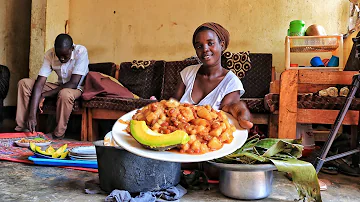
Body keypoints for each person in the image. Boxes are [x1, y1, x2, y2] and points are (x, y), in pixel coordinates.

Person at [173, 22, 253, 129]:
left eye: (210, 43)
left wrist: (241, 110)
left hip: (208, 141)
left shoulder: (231, 82)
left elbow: (229, 109)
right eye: (199, 46)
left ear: (222, 45)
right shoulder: (188, 73)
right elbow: (172, 105)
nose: (205, 49)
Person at [15, 33, 89, 139]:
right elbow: (40, 83)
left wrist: (44, 95)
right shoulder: (50, 54)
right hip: (59, 86)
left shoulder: (81, 52)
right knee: (24, 83)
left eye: (65, 56)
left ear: (72, 48)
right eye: (59, 56)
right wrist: (32, 115)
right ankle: (23, 129)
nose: (62, 59)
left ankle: (58, 134)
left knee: (65, 93)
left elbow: (73, 83)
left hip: (77, 88)